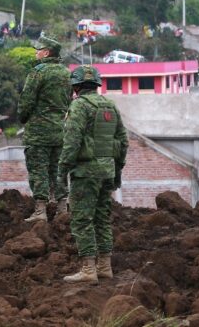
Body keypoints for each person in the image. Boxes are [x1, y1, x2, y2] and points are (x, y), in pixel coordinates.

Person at [59, 65, 128, 284]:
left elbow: (72, 141)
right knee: (102, 219)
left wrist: (62, 170)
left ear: (76, 86)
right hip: (107, 171)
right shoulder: (110, 106)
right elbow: (123, 143)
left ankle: (89, 270)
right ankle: (104, 267)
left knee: (82, 220)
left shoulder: (79, 106)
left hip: (85, 173)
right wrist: (117, 172)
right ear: (96, 85)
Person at [18, 35, 72, 222]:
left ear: (47, 52)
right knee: (58, 170)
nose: (36, 52)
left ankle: (40, 211)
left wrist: (23, 118)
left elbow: (26, 102)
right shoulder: (67, 73)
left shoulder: (38, 72)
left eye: (38, 49)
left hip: (38, 132)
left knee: (38, 170)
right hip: (59, 131)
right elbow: (68, 101)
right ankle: (62, 208)